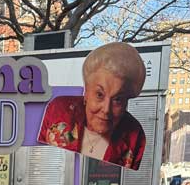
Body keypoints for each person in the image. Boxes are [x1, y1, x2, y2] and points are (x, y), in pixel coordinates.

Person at [37, 42, 147, 171]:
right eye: (99, 95)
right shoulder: (58, 110)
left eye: (118, 99)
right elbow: (38, 164)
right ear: (86, 91)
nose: (106, 109)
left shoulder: (134, 135)